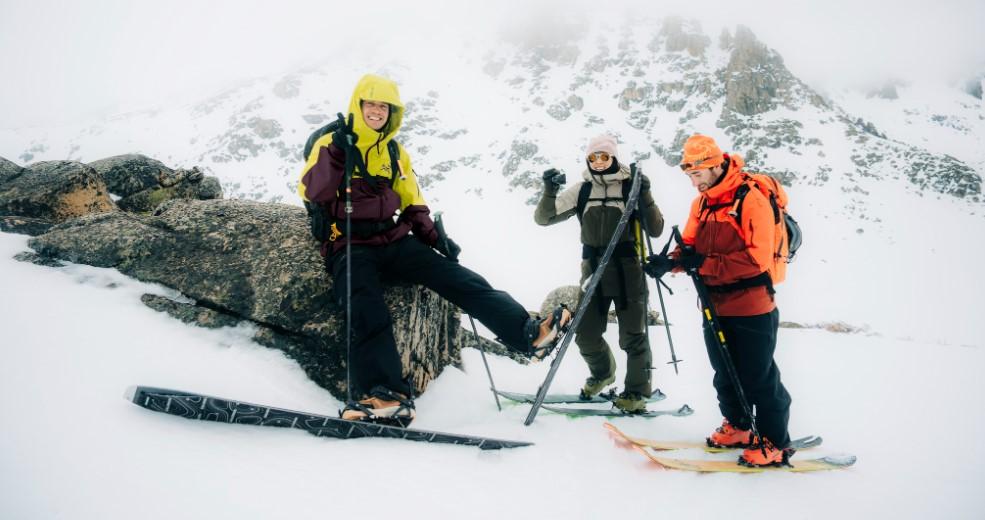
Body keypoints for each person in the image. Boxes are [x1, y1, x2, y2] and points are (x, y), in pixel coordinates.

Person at [298, 74, 570, 426]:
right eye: (371, 104)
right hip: (349, 244)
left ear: (392, 112)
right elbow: (313, 191)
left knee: (458, 278)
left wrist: (433, 237)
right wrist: (338, 151)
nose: (377, 111)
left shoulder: (393, 150)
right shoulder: (330, 143)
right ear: (359, 105)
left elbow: (411, 198)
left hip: (392, 238)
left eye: (385, 106)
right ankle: (385, 393)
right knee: (365, 306)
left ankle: (527, 334)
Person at [645, 134, 793, 466]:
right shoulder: (702, 203)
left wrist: (703, 264)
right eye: (689, 176)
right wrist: (670, 262)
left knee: (758, 375)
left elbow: (758, 260)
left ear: (713, 166)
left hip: (752, 304)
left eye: (697, 174)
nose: (693, 182)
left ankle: (775, 442)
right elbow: (690, 245)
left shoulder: (750, 198)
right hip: (714, 302)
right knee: (724, 371)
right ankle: (739, 427)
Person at [534, 135, 664, 413]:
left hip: (629, 273)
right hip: (593, 272)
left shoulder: (631, 187)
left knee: (633, 336)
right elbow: (544, 218)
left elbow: (655, 229)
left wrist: (645, 194)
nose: (599, 162)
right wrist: (549, 190)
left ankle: (636, 393)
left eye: (604, 157)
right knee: (586, 334)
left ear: (614, 158)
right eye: (593, 158)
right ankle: (603, 373)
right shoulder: (582, 190)